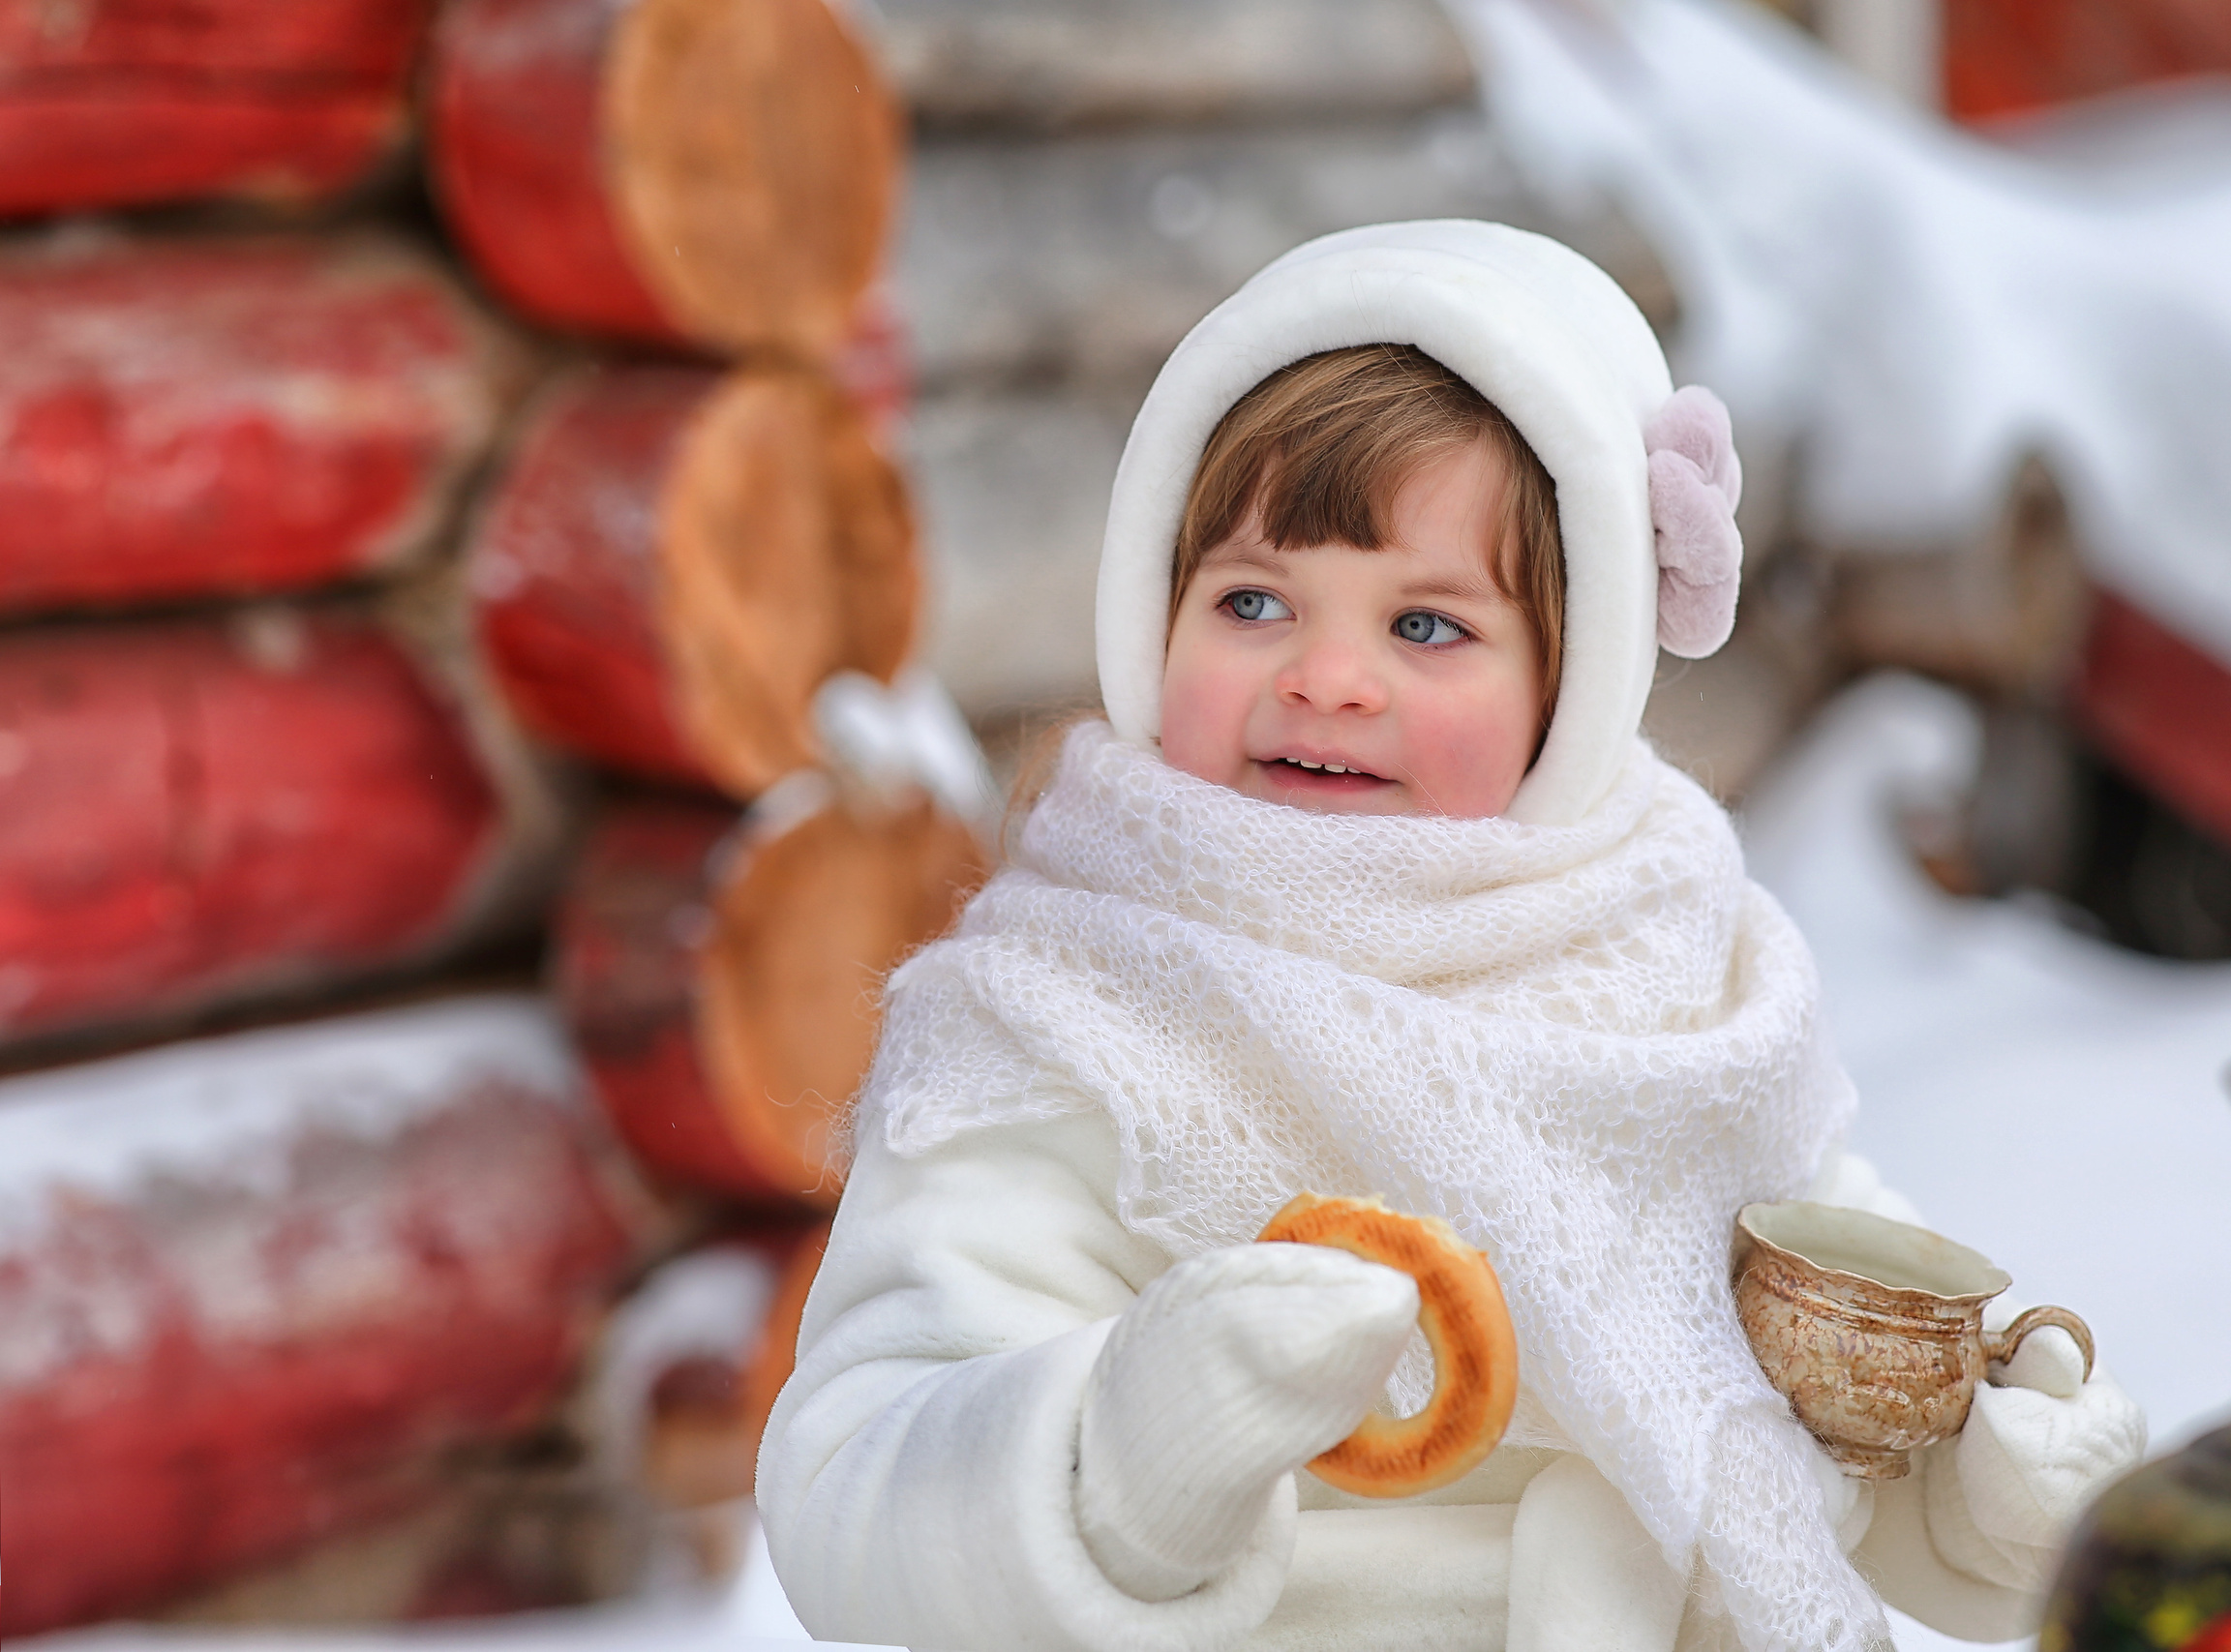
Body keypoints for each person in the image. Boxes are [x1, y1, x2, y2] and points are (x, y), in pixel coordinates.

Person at [755, 221, 2144, 1652]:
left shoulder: (1679, 980)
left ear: (1574, 680)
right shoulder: (1068, 1016)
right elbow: (852, 1479)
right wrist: (1125, 1457)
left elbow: (1809, 1396)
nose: (1329, 677)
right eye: (1251, 600)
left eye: (1426, 626)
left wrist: (1992, 1493)